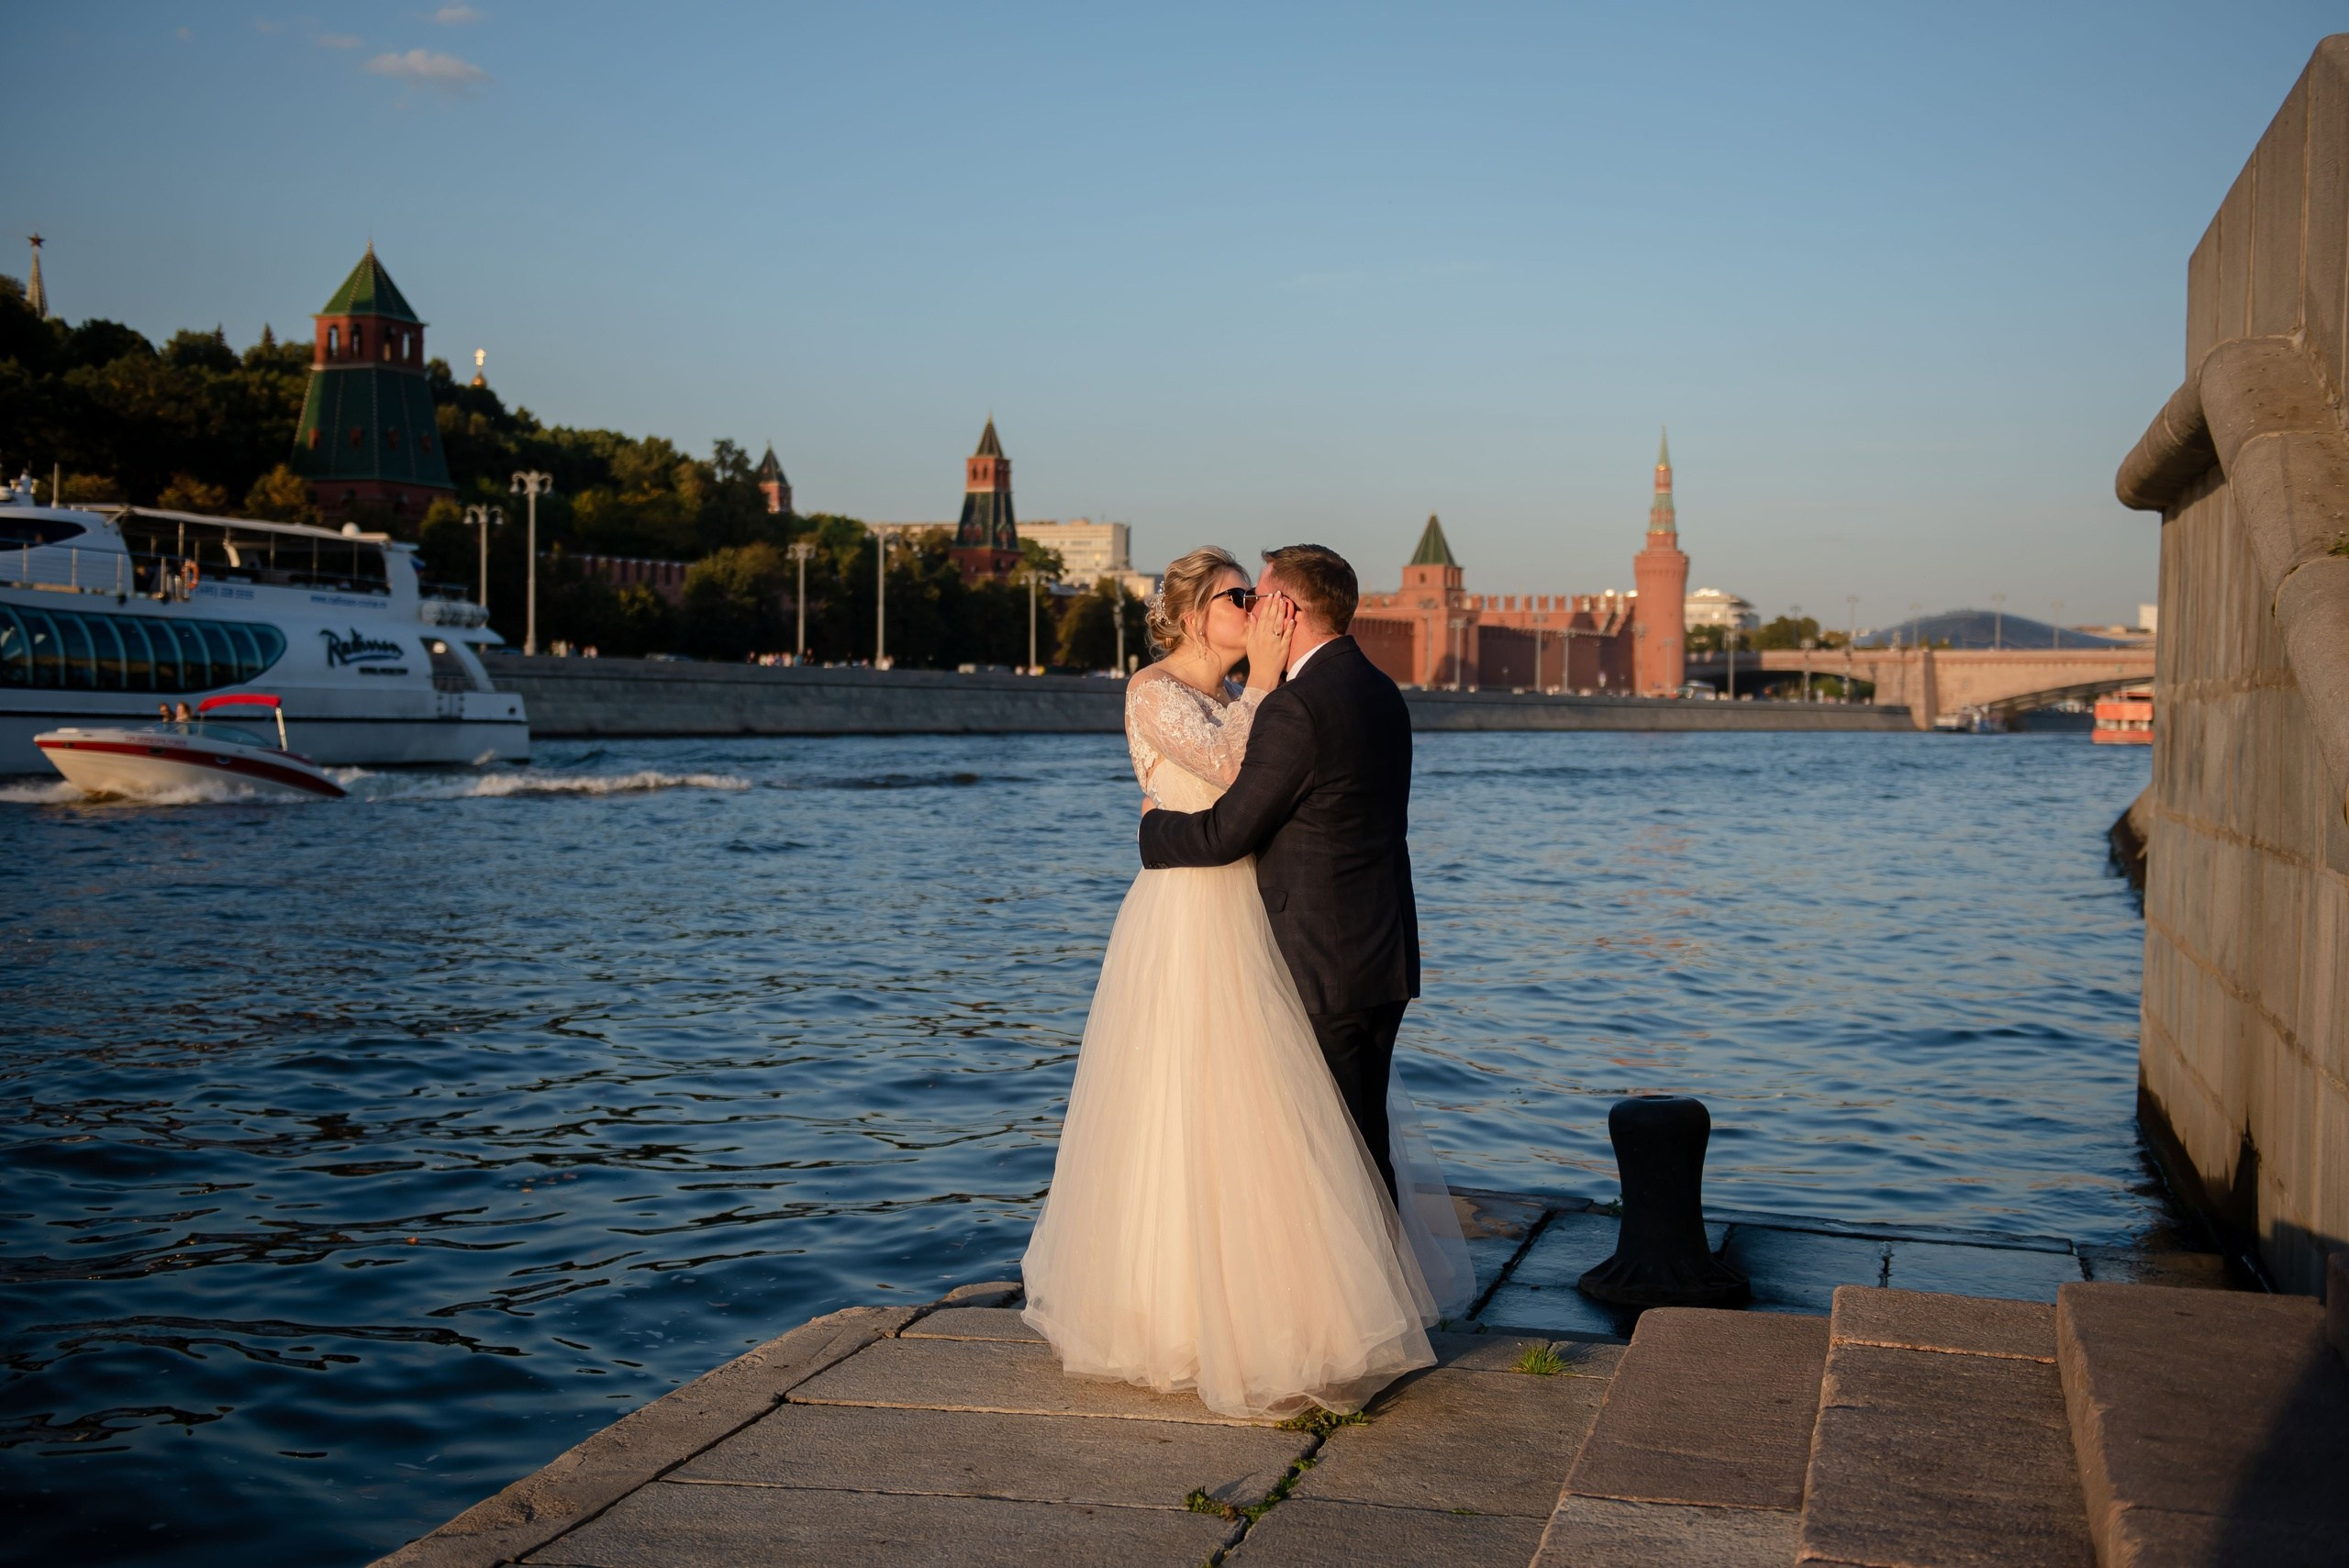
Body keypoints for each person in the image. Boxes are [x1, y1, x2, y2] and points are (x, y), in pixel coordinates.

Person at [1020, 546, 1471, 1421]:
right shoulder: (1158, 691)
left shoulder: (1266, 696)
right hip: (1192, 921)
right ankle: (1188, 1312)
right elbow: (1239, 771)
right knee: (1195, 1120)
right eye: (1238, 597)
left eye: (1259, 596)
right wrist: (1265, 681)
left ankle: (1322, 1315)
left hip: (1268, 924)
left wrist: (1256, 688)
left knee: (1281, 1130)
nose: (1255, 610)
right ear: (1196, 614)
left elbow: (1243, 792)